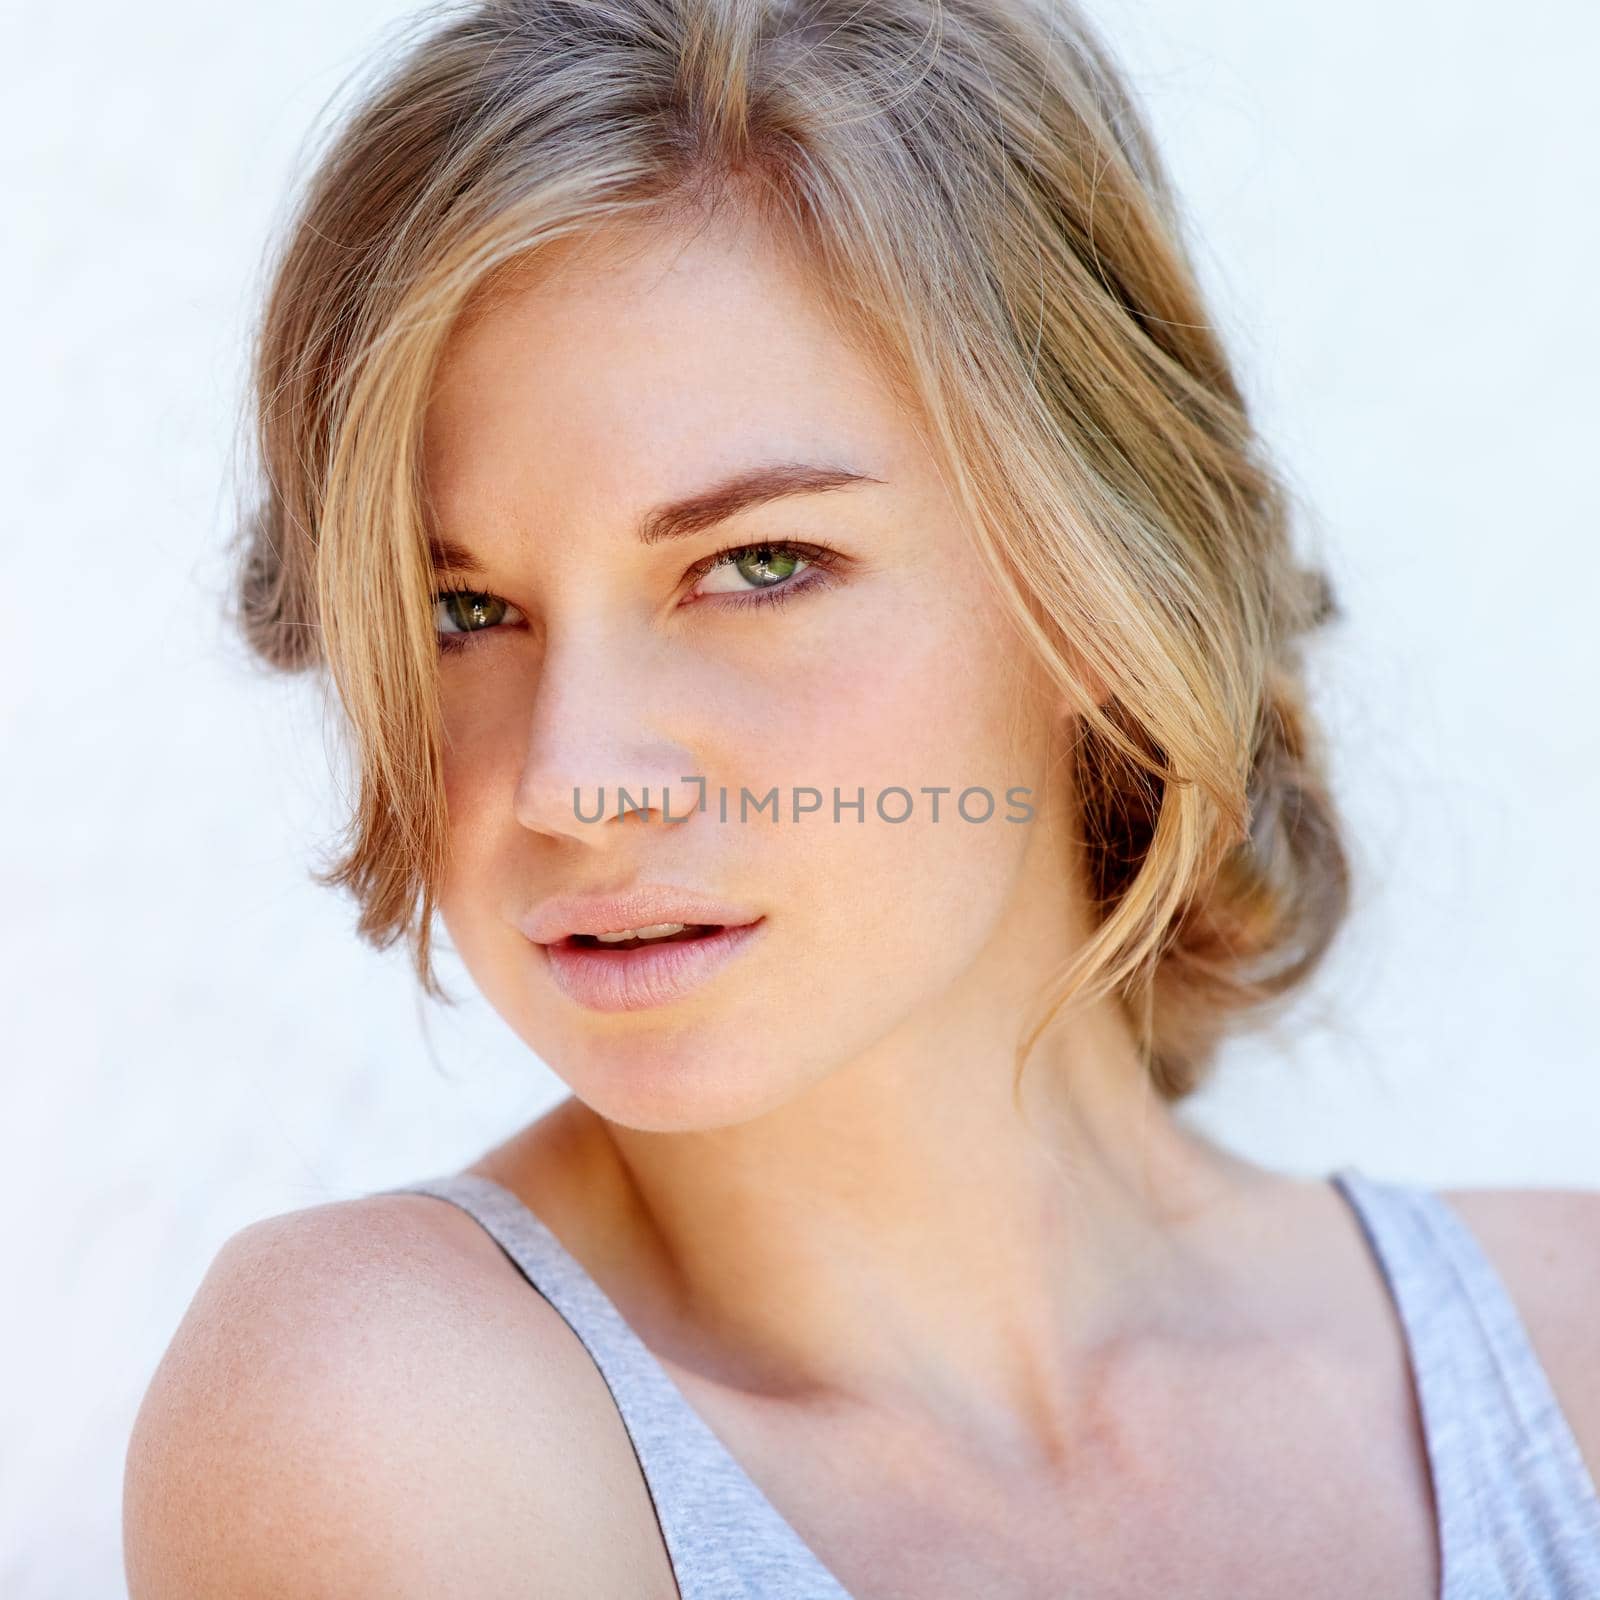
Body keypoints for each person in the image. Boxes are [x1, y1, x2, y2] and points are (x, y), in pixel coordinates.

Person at [123, 0, 1600, 1594]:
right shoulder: (377, 1409)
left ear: (1099, 588)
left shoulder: (1562, 1365)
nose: (569, 782)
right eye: (457, 611)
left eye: (758, 566)